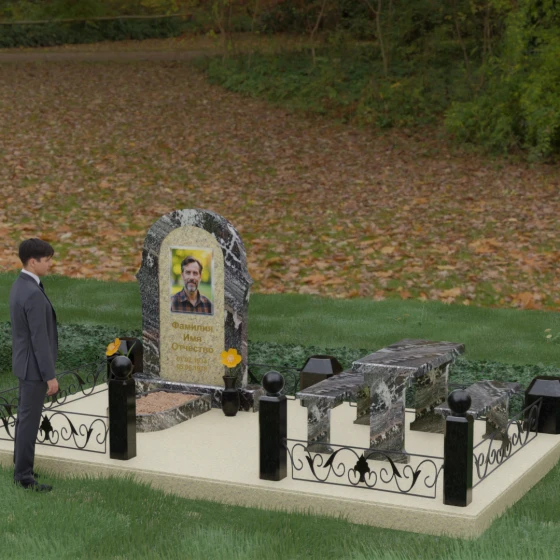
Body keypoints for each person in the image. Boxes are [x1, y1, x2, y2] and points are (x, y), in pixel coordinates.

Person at [10, 238, 58, 492]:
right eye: (46, 260)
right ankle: (24, 477)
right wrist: (50, 376)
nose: (50, 264)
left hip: (24, 364)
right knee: (29, 422)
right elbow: (40, 339)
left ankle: (20, 465)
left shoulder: (20, 285)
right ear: (32, 261)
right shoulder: (32, 293)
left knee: (24, 418)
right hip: (34, 369)